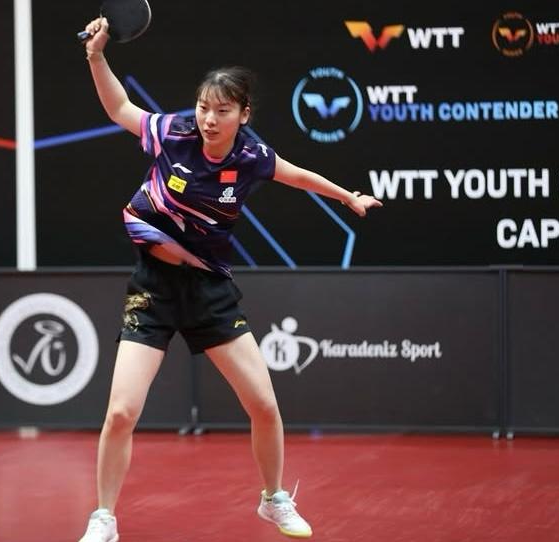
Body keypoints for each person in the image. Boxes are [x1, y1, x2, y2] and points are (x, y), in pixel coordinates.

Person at [78, 16, 382, 542]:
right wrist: (96, 56)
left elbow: (297, 175)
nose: (209, 119)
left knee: (264, 404)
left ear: (244, 114)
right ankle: (104, 518)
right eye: (203, 107)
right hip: (153, 286)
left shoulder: (251, 157)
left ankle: (274, 499)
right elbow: (120, 109)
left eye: (222, 110)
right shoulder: (174, 133)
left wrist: (347, 197)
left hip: (209, 290)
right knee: (122, 411)